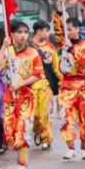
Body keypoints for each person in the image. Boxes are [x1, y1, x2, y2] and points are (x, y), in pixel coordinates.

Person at [0, 21, 44, 169]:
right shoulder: (8, 51)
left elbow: (38, 74)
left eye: (25, 32)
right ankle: (19, 151)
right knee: (10, 132)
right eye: (19, 32)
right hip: (9, 96)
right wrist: (3, 47)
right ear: (13, 34)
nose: (23, 35)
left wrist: (21, 83)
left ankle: (22, 162)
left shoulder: (33, 53)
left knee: (23, 128)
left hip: (26, 96)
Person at [54, 14, 85, 161]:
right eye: (66, 30)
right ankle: (70, 148)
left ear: (78, 29)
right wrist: (59, 11)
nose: (67, 32)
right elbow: (57, 27)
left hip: (82, 87)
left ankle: (84, 148)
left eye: (70, 29)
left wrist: (71, 49)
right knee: (66, 117)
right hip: (66, 86)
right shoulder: (62, 43)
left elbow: (83, 61)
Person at [29, 20, 59, 150]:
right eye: (46, 30)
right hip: (31, 85)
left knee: (46, 113)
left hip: (46, 86)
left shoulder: (51, 48)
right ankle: (39, 131)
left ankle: (46, 138)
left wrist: (61, 80)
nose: (48, 33)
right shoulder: (28, 47)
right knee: (34, 114)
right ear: (38, 31)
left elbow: (56, 67)